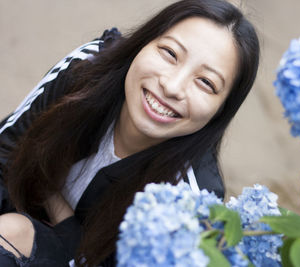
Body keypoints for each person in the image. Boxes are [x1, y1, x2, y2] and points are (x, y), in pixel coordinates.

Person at [0, 0, 260, 266]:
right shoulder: (87, 68)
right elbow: (5, 152)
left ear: (221, 111)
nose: (172, 87)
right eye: (170, 53)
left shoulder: (193, 197)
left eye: (206, 82)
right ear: (142, 44)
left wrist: (62, 222)